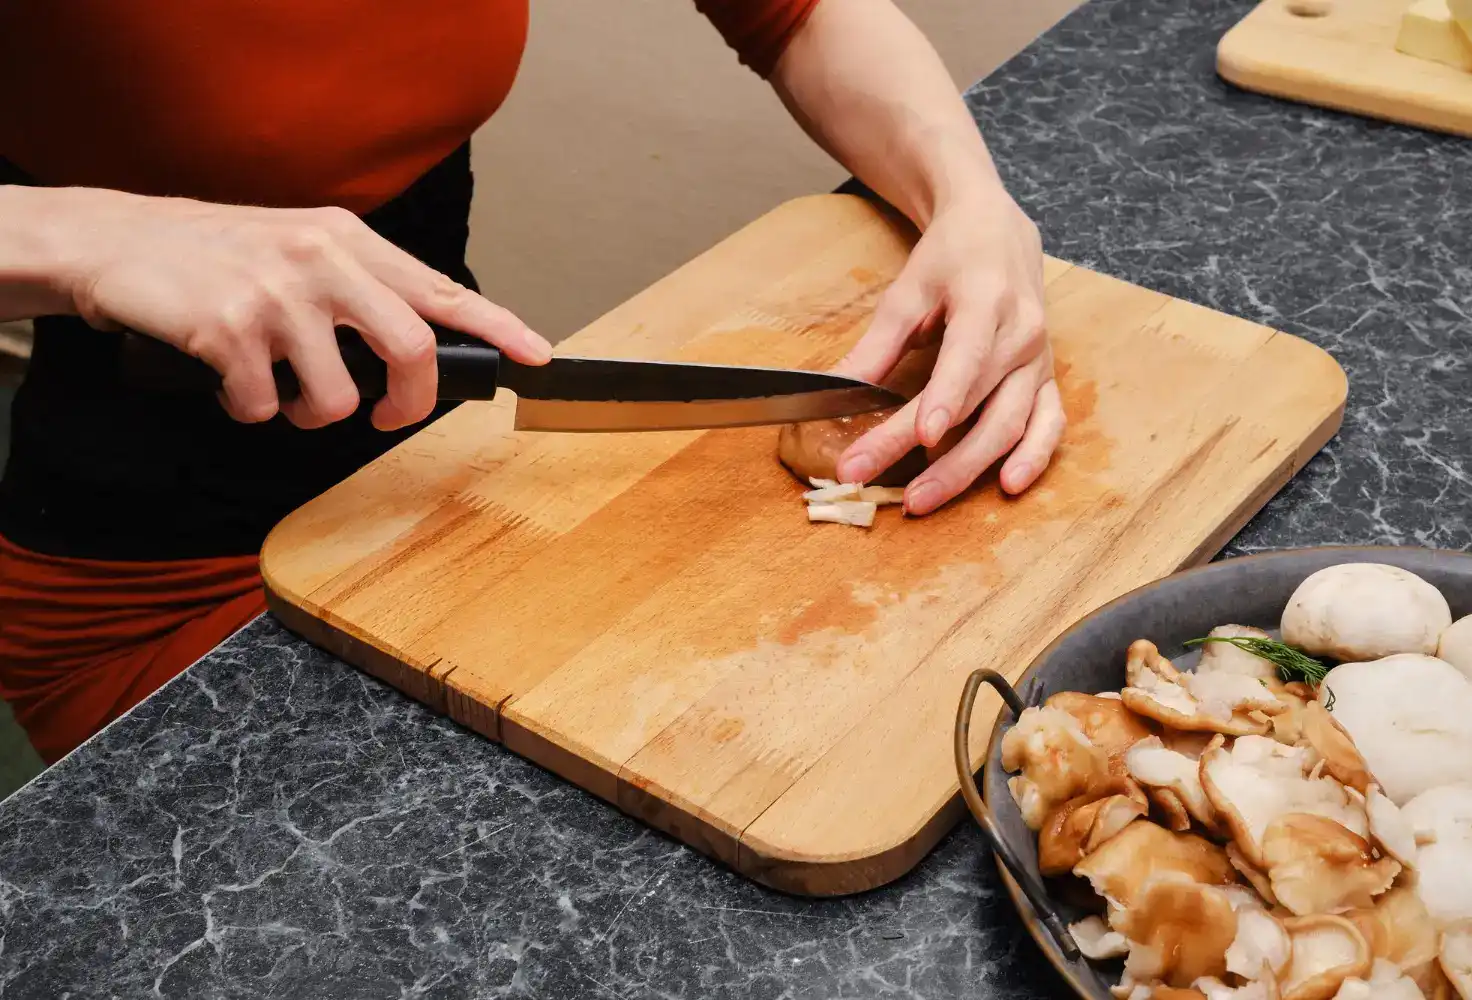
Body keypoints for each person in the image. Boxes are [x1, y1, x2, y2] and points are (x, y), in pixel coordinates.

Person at [0, 0, 1065, 764]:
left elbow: (798, 14)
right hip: (164, 580)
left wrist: (971, 200)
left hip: (457, 491)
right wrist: (95, 239)